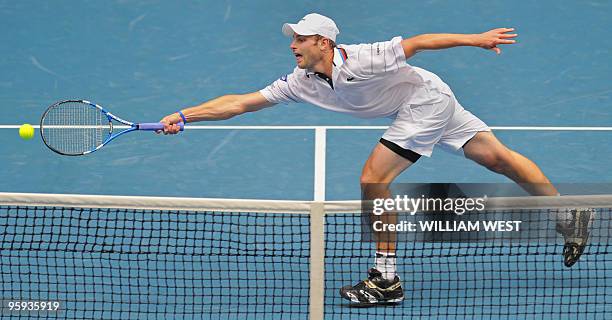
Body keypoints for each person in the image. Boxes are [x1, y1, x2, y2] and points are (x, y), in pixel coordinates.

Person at [159, 13, 594, 306]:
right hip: (425, 97)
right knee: (498, 159)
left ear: (323, 42)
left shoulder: (363, 57)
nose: (292, 45)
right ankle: (567, 211)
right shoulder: (302, 81)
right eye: (292, 39)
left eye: (299, 38)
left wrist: (475, 40)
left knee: (372, 180)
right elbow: (240, 103)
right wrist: (184, 115)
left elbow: (419, 42)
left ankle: (386, 279)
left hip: (423, 102)